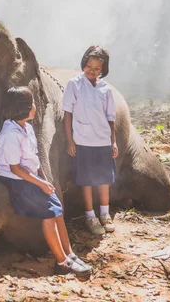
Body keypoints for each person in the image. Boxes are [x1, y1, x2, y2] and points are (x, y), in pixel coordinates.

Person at [0, 86, 92, 277]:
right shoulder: (10, 135)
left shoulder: (27, 128)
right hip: (18, 181)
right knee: (49, 213)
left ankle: (70, 254)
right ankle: (61, 263)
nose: (35, 106)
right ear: (22, 108)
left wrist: (45, 180)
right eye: (32, 103)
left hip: (31, 177)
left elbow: (34, 158)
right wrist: (39, 184)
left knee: (57, 210)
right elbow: (15, 168)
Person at [62, 45, 118, 235]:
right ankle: (90, 216)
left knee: (104, 180)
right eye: (89, 66)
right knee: (86, 180)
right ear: (84, 63)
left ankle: (105, 213)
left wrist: (113, 142)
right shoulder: (74, 84)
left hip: (102, 140)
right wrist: (70, 140)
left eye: (97, 69)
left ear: (103, 70)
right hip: (83, 141)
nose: (91, 71)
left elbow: (111, 118)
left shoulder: (106, 89)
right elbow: (67, 114)